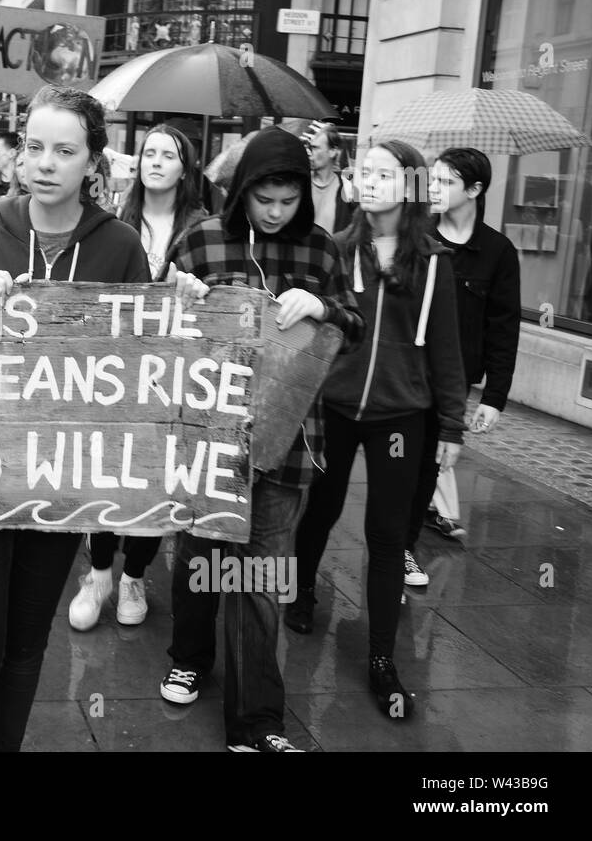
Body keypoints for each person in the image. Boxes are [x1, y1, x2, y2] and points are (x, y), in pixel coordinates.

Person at [0, 85, 150, 751]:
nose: (45, 162)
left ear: (93, 162)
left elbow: (141, 369)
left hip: (61, 479)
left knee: (25, 644)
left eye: (65, 150)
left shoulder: (120, 248)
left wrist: (188, 309)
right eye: (34, 147)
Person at [160, 125, 364, 752]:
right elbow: (156, 325)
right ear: (243, 191)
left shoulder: (323, 251)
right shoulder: (201, 238)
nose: (276, 213)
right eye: (263, 200)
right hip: (209, 437)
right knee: (201, 555)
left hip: (289, 442)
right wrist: (178, 295)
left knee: (261, 577)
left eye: (288, 200)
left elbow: (353, 326)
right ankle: (190, 654)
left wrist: (324, 309)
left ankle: (258, 723)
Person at [289, 139, 466, 722]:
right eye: (364, 172)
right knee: (321, 507)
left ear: (410, 185)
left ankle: (383, 657)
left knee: (388, 534)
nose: (370, 181)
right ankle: (304, 589)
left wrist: (451, 424)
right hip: (336, 406)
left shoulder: (433, 261)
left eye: (384, 173)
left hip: (400, 416)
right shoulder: (337, 249)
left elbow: (445, 348)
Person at [68, 123, 209, 631]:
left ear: (184, 167)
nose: (155, 162)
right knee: (109, 469)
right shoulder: (113, 222)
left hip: (172, 372)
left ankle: (134, 576)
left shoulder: (201, 228)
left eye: (167, 154)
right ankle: (100, 572)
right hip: (116, 370)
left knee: (156, 476)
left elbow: (214, 302)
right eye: (148, 153)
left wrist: (193, 290)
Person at [402, 148, 519, 580]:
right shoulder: (415, 237)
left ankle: (403, 549)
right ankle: (388, 549)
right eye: (432, 180)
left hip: (451, 387)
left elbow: (503, 329)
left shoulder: (497, 252)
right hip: (403, 377)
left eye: (446, 182)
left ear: (475, 189)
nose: (434, 189)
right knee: (396, 468)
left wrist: (494, 397)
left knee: (426, 473)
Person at [305, 121, 356, 232]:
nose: (309, 152)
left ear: (332, 151)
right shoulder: (301, 183)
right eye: (309, 147)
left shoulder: (347, 186)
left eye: (315, 148)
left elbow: (356, 225)